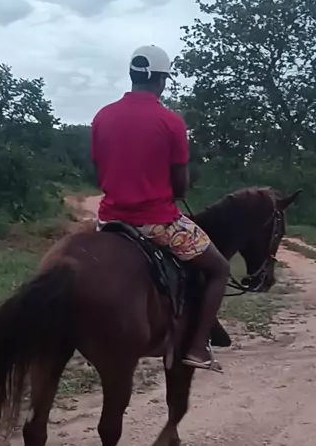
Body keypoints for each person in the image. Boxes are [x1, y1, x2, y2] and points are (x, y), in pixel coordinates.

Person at [90, 44, 229, 370]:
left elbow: (99, 169)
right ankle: (197, 347)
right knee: (219, 268)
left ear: (133, 75)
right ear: (161, 79)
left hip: (108, 221)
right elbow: (180, 185)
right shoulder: (171, 121)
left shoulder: (102, 116)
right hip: (156, 221)